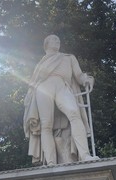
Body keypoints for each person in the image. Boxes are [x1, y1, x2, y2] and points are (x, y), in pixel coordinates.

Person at [24, 34, 96, 165]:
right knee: (46, 124)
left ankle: (85, 155)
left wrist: (87, 79)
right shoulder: (41, 63)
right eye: (54, 39)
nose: (57, 41)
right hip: (43, 88)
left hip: (62, 85)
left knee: (74, 114)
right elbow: (33, 83)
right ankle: (51, 162)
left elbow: (79, 75)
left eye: (58, 39)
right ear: (46, 44)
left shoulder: (68, 57)